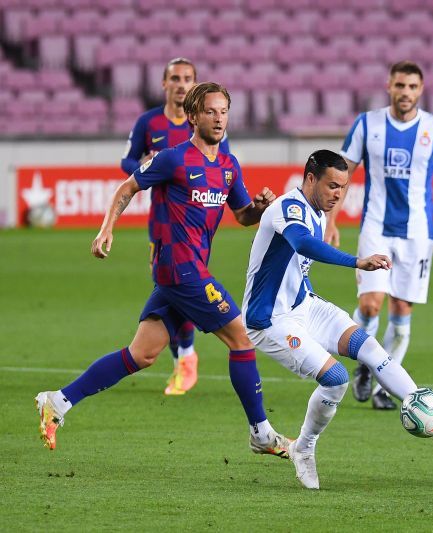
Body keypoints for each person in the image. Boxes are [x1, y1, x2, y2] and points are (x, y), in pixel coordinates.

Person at [36, 82, 292, 461]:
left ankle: (57, 401)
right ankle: (261, 432)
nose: (219, 119)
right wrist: (106, 228)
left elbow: (242, 216)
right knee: (241, 339)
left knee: (142, 354)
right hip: (179, 268)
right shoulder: (174, 159)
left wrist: (259, 206)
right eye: (210, 111)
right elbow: (127, 187)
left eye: (223, 111)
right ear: (192, 116)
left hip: (187, 271)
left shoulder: (228, 166)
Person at [244, 149, 433, 489]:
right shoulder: (288, 209)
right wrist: (357, 262)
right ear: (309, 179)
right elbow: (302, 245)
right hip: (270, 320)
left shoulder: (317, 211)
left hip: (304, 306)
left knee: (372, 349)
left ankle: (432, 416)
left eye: (344, 187)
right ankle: (303, 449)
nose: (338, 194)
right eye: (332, 186)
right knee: (335, 379)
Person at [325, 61, 433, 410]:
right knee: (371, 305)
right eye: (400, 85)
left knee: (402, 310)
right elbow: (343, 174)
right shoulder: (366, 124)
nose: (406, 92)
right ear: (389, 85)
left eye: (412, 87)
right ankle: (364, 363)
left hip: (418, 233)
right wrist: (330, 220)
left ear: (421, 89)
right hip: (375, 226)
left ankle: (384, 387)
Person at [121, 57, 231, 396]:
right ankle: (183, 357)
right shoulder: (148, 122)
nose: (181, 84)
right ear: (164, 84)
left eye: (188, 78)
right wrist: (143, 164)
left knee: (182, 285)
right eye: (175, 78)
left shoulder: (205, 124)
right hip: (161, 222)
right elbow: (126, 161)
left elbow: (221, 163)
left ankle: (185, 358)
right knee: (174, 287)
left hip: (195, 224)